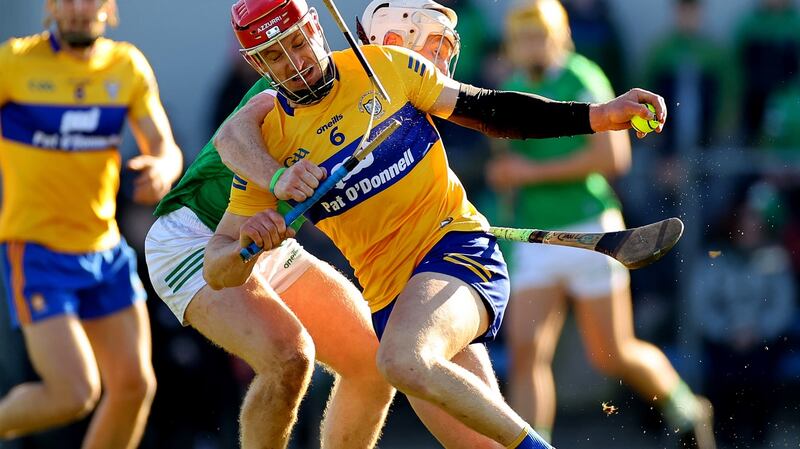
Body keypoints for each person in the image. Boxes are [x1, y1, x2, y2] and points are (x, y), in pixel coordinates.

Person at [207, 0, 667, 447]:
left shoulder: (385, 66)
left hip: (457, 251)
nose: (293, 61)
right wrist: (247, 243)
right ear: (254, 64)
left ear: (316, 28)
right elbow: (217, 267)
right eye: (273, 55)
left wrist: (600, 116)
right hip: (392, 301)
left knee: (401, 360)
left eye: (297, 42)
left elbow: (491, 109)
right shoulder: (269, 148)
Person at [485, 2, 715, 448]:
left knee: (612, 352)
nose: (532, 46)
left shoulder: (584, 78)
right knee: (528, 352)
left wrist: (527, 174)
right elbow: (505, 165)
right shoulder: (510, 86)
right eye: (523, 38)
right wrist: (503, 178)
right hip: (538, 237)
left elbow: (613, 158)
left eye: (539, 36)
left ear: (559, 36)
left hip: (593, 230)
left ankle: (686, 410)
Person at [0, 0, 182, 447]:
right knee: (73, 393)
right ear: (50, 7)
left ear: (109, 7)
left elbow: (165, 147)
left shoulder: (126, 66)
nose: (79, 9)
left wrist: (162, 169)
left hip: (104, 250)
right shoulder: (14, 63)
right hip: (37, 250)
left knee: (135, 387)